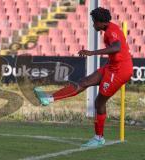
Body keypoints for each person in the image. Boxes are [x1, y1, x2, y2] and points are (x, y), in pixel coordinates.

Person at [34, 7, 133, 147]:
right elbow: (118, 51)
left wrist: (92, 53)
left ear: (101, 22)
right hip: (112, 67)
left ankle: (99, 138)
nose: (93, 25)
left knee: (99, 102)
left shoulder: (112, 31)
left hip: (120, 71)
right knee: (84, 81)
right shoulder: (109, 29)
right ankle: (48, 98)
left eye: (94, 22)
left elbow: (116, 47)